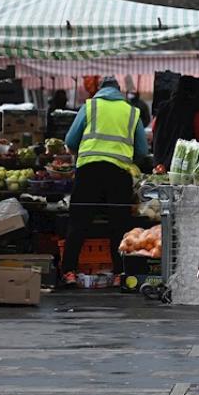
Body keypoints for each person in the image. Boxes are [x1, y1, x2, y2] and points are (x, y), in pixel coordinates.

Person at [62, 76, 151, 285]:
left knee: (78, 223)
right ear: (119, 90)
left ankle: (69, 273)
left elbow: (70, 140)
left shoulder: (90, 106)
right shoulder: (131, 111)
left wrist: (84, 153)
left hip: (88, 171)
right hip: (118, 175)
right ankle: (120, 274)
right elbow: (142, 151)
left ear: (100, 89)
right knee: (119, 225)